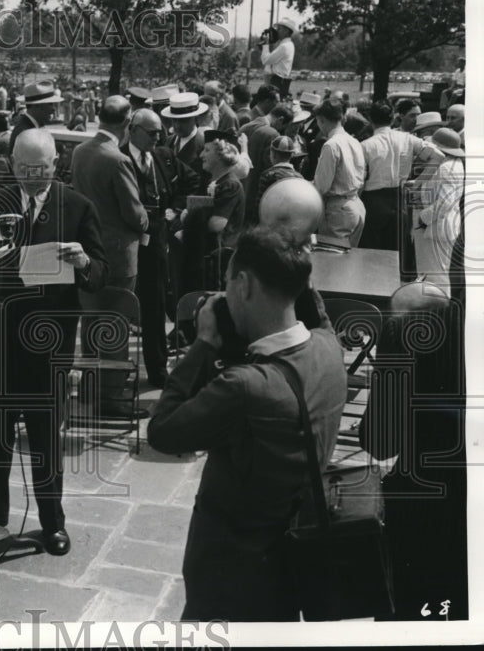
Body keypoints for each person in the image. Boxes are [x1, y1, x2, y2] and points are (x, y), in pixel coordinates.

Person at [147, 226, 347, 620]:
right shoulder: (329, 348)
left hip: (230, 569)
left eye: (228, 282)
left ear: (244, 284)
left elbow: (162, 432)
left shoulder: (244, 386)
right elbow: (314, 311)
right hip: (290, 561)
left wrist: (204, 342)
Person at [0, 128, 108, 555]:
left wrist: (84, 260)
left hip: (50, 345)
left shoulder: (77, 205)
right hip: (0, 343)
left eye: (42, 170)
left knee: (47, 438)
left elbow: (102, 273)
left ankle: (52, 521)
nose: (34, 178)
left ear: (55, 165)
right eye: (25, 170)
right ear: (12, 165)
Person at [359, 282, 467, 620]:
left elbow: (378, 442)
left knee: (411, 607)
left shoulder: (401, 345)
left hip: (420, 510)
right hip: (468, 513)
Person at [124, 108, 200, 386]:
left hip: (156, 243)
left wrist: (175, 209)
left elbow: (191, 179)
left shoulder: (164, 156)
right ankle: (116, 374)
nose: (158, 137)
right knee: (125, 308)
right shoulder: (119, 158)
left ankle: (157, 372)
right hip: (128, 242)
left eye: (160, 132)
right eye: (152, 133)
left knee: (155, 308)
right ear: (133, 131)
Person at [70, 95, 148, 291]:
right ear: (127, 122)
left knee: (92, 314)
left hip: (88, 251)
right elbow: (134, 214)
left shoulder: (79, 151)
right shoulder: (119, 160)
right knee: (118, 315)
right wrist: (146, 220)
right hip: (118, 256)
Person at [359, 100, 431, 251]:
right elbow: (438, 156)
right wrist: (418, 181)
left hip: (374, 200)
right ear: (392, 118)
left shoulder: (365, 145)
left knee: (371, 249)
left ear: (371, 120)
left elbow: (360, 178)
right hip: (399, 198)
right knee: (396, 250)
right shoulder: (407, 139)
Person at [179, 132, 246, 292]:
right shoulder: (216, 182)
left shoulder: (230, 185)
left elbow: (217, 224)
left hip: (220, 258)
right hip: (209, 254)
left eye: (207, 151)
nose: (202, 155)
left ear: (221, 154)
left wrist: (189, 217)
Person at [410, 128, 464, 297]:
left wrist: (422, 218)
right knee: (431, 276)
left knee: (436, 278)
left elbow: (444, 203)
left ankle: (439, 315)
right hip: (438, 228)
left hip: (435, 229)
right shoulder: (452, 165)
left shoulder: (447, 168)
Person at [312, 99, 366, 246]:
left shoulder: (331, 145)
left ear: (321, 120)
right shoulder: (354, 141)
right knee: (348, 261)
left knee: (331, 261)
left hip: (338, 210)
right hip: (356, 206)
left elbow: (322, 186)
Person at [162, 92, 209, 191]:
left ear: (196, 119)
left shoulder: (205, 146)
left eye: (184, 121)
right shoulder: (169, 141)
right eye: (174, 120)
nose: (177, 126)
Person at [251, 135, 301, 221]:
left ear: (273, 154)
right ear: (291, 155)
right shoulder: (299, 178)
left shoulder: (268, 175)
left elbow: (260, 205)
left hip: (270, 223)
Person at [8, 80, 62, 153]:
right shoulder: (25, 133)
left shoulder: (29, 127)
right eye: (50, 104)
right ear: (37, 106)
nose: (53, 109)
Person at [258, 17, 297, 98]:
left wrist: (265, 44)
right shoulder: (288, 45)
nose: (276, 31)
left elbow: (265, 60)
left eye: (279, 29)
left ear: (286, 31)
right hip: (279, 81)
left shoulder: (284, 46)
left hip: (277, 82)